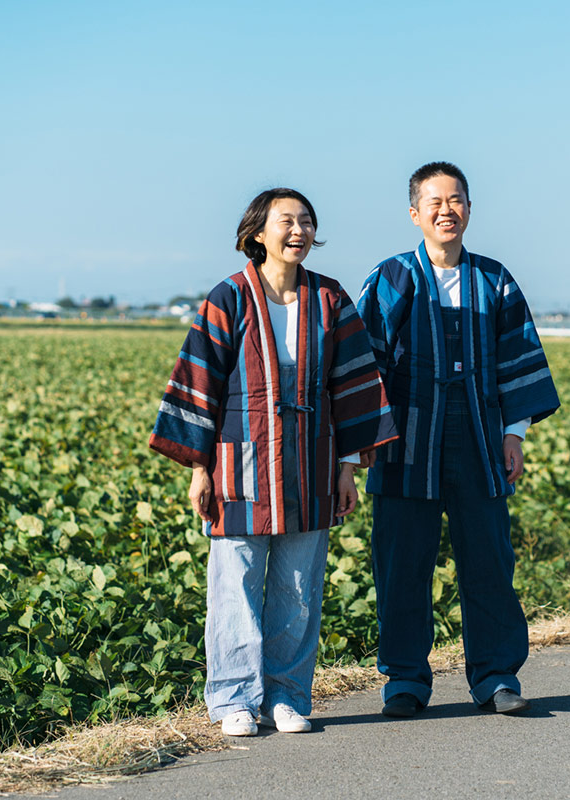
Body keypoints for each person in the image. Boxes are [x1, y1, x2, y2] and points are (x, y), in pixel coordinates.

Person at [150, 188, 396, 736]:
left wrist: (348, 467)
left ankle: (285, 696)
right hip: (240, 461)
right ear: (257, 232)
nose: (299, 232)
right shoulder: (229, 296)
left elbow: (353, 385)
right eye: (286, 221)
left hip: (311, 461)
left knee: (299, 587)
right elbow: (200, 381)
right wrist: (198, 467)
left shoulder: (330, 299)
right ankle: (233, 698)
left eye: (307, 222)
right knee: (234, 583)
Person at [357, 162, 560, 717]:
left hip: (479, 437)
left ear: (470, 208)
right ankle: (404, 682)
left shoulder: (495, 279)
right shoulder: (391, 278)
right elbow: (362, 364)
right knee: (401, 565)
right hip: (404, 444)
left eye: (457, 200)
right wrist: (364, 439)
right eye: (435, 201)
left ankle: (495, 677)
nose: (447, 210)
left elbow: (517, 360)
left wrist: (513, 434)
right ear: (415, 213)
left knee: (489, 562)